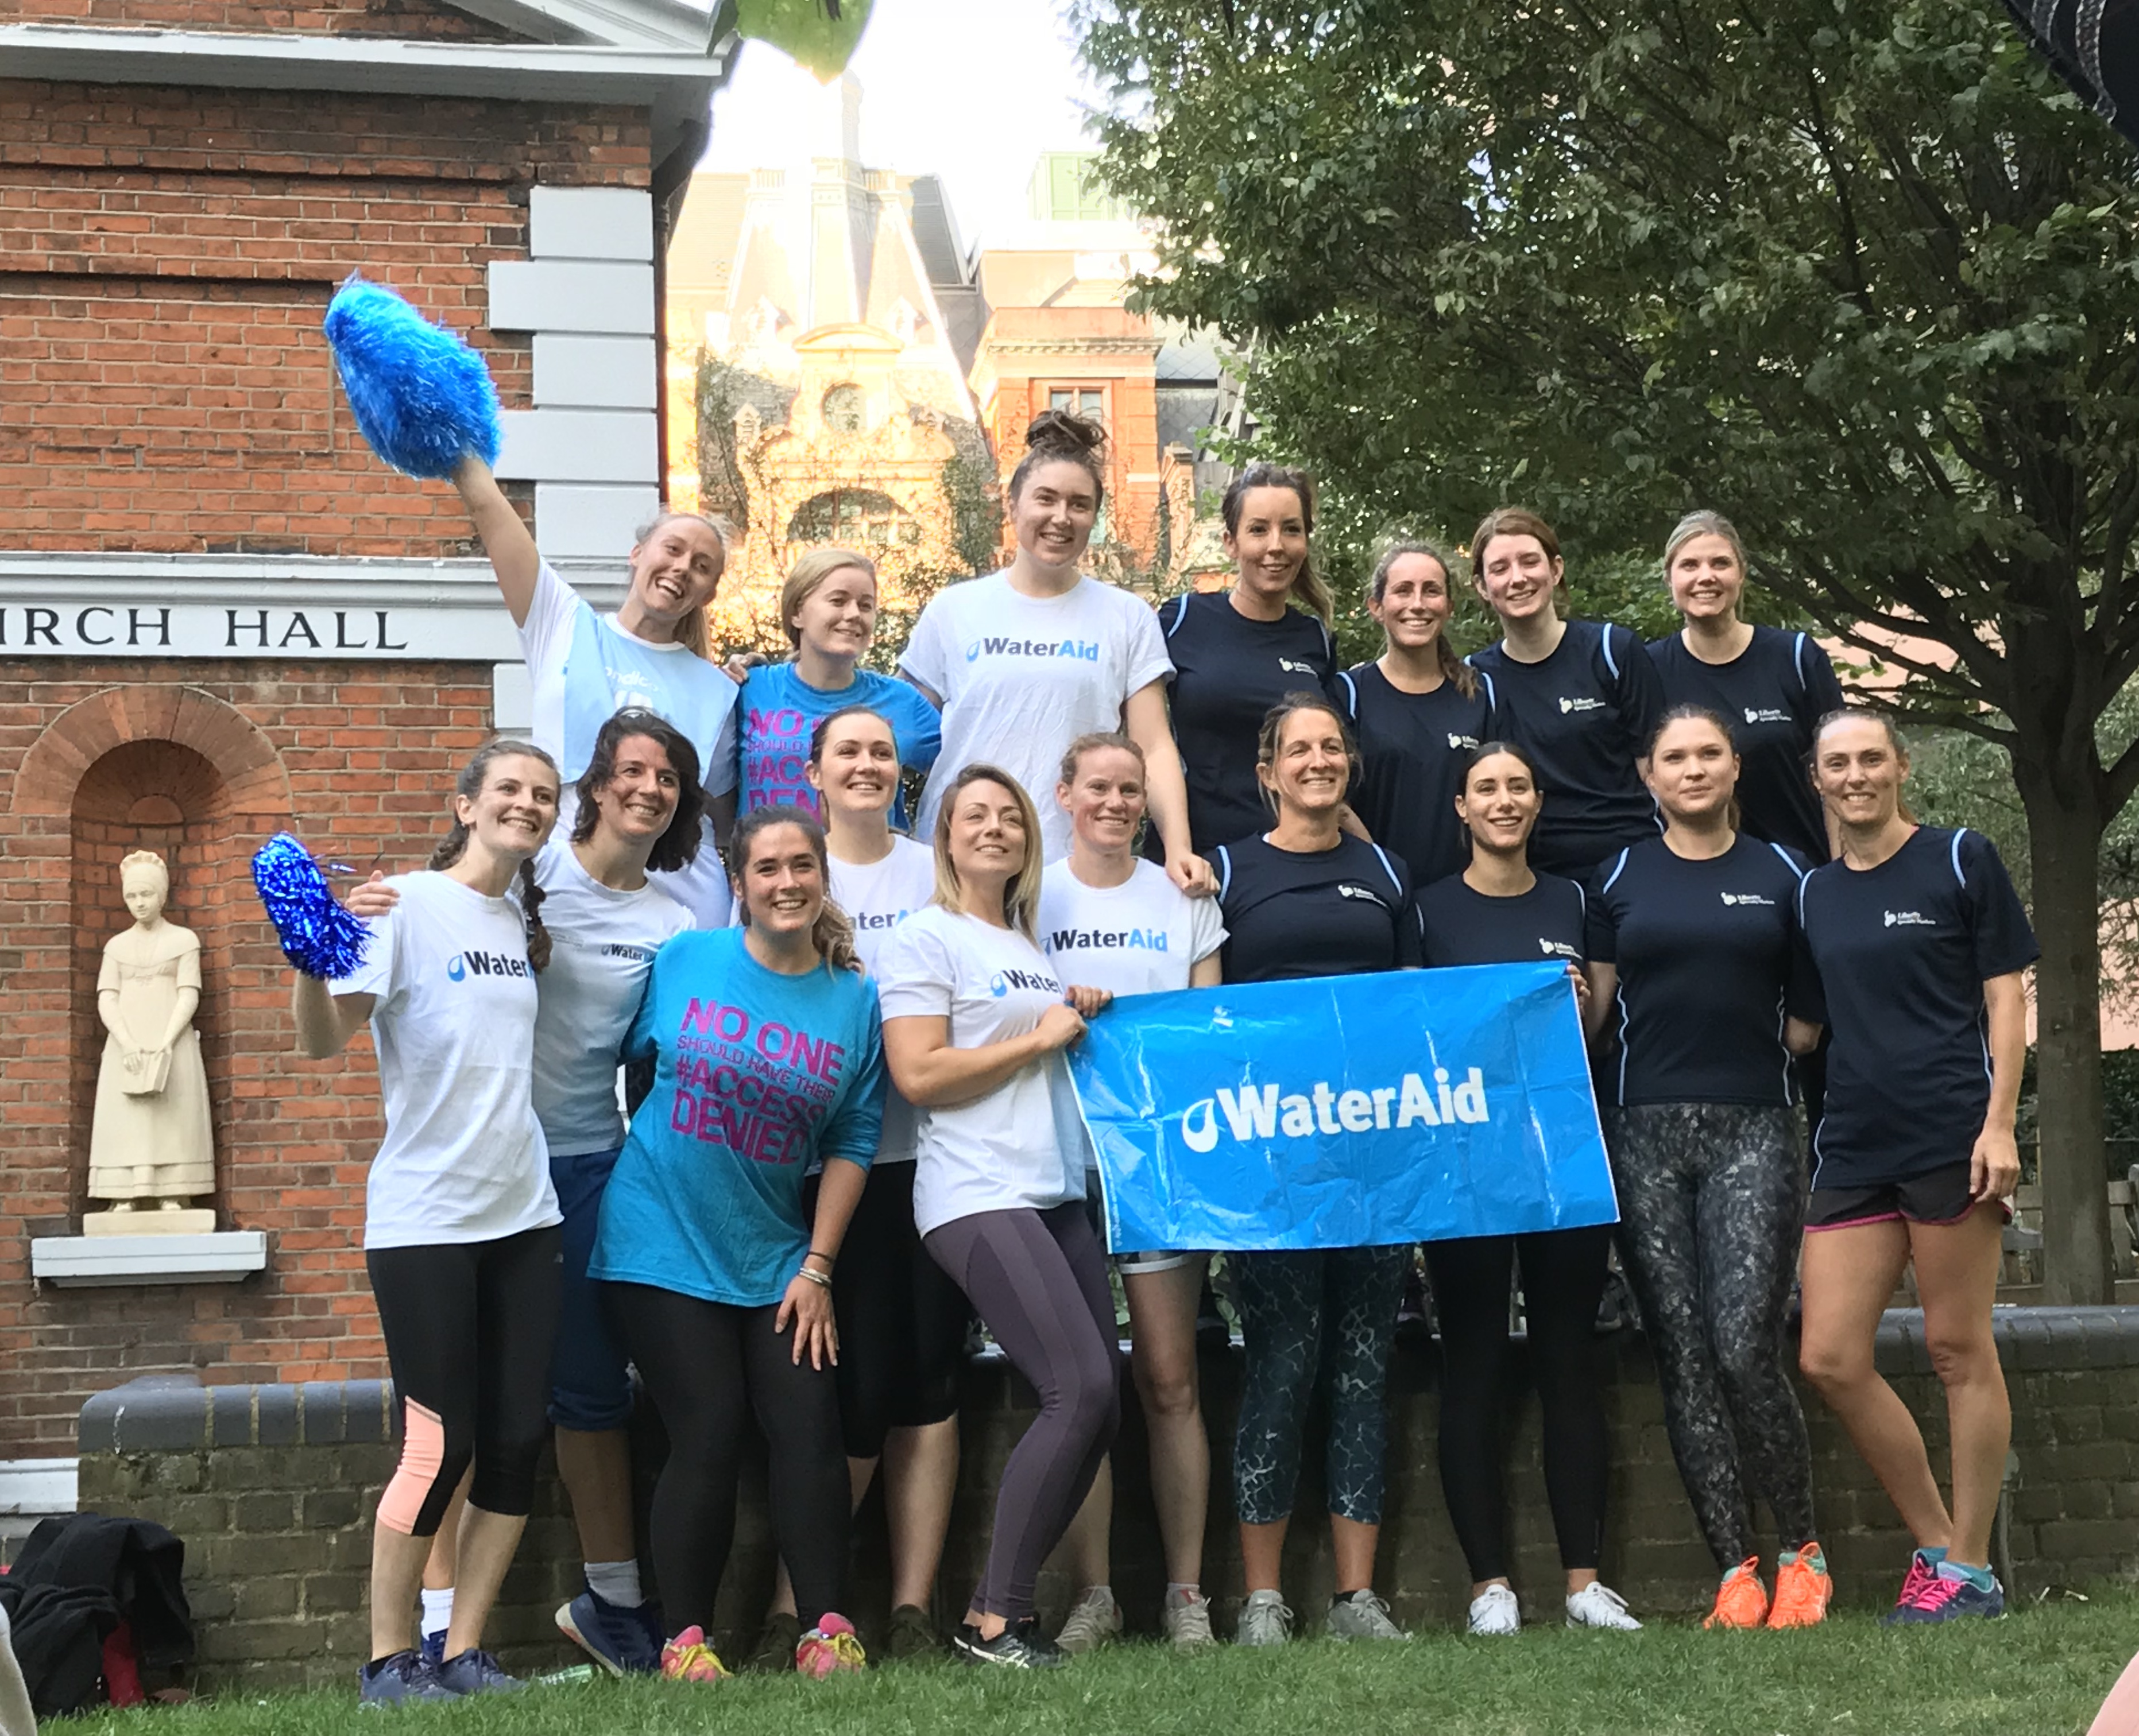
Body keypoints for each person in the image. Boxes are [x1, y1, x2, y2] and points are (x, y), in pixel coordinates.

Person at [350, 712, 702, 1675]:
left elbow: (663, 1054)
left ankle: (579, 1610)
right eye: (629, 769)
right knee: (444, 1423)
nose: (648, 786)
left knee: (559, 1407)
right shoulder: (476, 892)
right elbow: (342, 1014)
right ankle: (416, 1634)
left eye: (668, 775)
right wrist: (331, 941)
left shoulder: (654, 920)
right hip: (452, 1187)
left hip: (567, 1183)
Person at [292, 740, 566, 1704]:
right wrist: (307, 958)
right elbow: (326, 1035)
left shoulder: (522, 923)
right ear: (466, 803)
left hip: (525, 1214)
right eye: (509, 789)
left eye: (543, 795)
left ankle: (466, 1651)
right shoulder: (403, 902)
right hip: (424, 1222)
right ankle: (387, 1658)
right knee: (435, 1443)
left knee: (521, 1436)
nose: (526, 804)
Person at [589, 806, 887, 1681]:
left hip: (774, 1254)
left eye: (802, 866)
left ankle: (825, 1629)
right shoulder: (686, 961)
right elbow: (624, 1060)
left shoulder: (853, 998)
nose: (786, 882)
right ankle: (686, 1641)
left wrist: (818, 1268)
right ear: (739, 883)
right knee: (709, 1426)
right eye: (767, 869)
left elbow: (854, 1140)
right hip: (658, 1235)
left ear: (821, 877)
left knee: (806, 1424)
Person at [1583, 708, 1831, 1629]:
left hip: (1755, 1130)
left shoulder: (1784, 874)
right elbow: (1595, 1015)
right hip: (1643, 1133)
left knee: (1742, 1347)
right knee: (1683, 1356)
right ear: (1647, 774)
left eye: (1708, 755)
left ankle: (1803, 1553)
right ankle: (1735, 1569)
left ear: (1735, 768)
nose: (1691, 770)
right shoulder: (1614, 877)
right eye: (1673, 758)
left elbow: (1805, 1026)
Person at [1795, 710, 2037, 1623]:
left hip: (1952, 1137)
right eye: (1835, 764)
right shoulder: (1813, 893)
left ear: (1899, 767)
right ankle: (1942, 1549)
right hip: (1853, 1144)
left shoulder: (1960, 857)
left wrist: (2000, 1125)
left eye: (1869, 758)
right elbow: (1803, 1025)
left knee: (1955, 1349)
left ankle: (1967, 1570)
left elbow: (2005, 995)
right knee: (1828, 1356)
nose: (1854, 775)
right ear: (1815, 780)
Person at [877, 765, 1117, 1669]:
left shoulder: (1025, 942)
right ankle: (995, 1620)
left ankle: (994, 1611)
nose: (994, 828)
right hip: (974, 1192)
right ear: (944, 836)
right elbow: (920, 1075)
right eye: (973, 815)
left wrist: (1072, 1006)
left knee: (1104, 1409)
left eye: (1009, 817)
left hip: (1051, 1189)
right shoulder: (922, 938)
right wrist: (1036, 1037)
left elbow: (1040, 1037)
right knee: (1078, 1389)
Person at [749, 707, 968, 1667]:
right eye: (850, 751)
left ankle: (914, 1606)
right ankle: (803, 1598)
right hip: (815, 1170)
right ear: (815, 770)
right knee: (835, 1393)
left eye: (884, 751)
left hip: (931, 1159)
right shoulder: (790, 869)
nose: (869, 764)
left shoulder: (935, 869)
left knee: (926, 1379)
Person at [1412, 741, 1639, 1636]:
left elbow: (1591, 1039)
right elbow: (1413, 1038)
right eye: (1485, 790)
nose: (1503, 802)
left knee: (1566, 1361)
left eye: (1517, 787)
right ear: (1461, 810)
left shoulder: (1575, 902)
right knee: (1470, 1361)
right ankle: (1488, 1588)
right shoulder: (1425, 911)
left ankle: (1585, 1583)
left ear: (1537, 803)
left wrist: (1579, 1003)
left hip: (1560, 1160)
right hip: (1466, 1164)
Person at [1210, 695, 1418, 1646]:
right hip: (1271, 1160)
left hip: (1375, 1155)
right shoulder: (1222, 871)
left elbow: (1421, 1014)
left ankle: (1356, 1595)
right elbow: (1201, 1024)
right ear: (1267, 769)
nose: (1318, 760)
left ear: (1350, 763)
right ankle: (1262, 1598)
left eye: (1332, 746)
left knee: (1366, 1365)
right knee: (1284, 1359)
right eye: (1299, 748)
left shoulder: (1384, 870)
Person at [1039, 733, 1227, 1653]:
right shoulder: (1029, 892)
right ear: (1064, 793)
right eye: (1098, 788)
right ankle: (1094, 1596)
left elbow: (1204, 1034)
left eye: (1131, 789)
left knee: (1168, 1379)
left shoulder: (1184, 895)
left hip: (1159, 1169)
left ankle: (1186, 1595)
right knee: (1079, 1389)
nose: (1116, 803)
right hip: (1052, 1169)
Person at [899, 410, 1206, 889]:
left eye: (1079, 505)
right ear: (1013, 506)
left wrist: (1179, 848)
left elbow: (1153, 745)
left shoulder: (1126, 616)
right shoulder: (953, 609)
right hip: (958, 864)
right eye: (1045, 499)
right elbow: (897, 737)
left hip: (1075, 867)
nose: (1061, 518)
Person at [451, 455, 740, 926]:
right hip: (561, 880)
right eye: (671, 549)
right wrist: (452, 441)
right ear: (637, 553)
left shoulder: (719, 691)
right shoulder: (564, 626)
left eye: (702, 566)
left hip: (681, 899)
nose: (682, 567)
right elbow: (491, 513)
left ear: (708, 593)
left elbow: (721, 821)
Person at [1465, 507, 1665, 878]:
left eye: (1529, 562)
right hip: (1532, 875)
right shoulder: (1475, 678)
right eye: (1500, 568)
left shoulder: (1612, 651)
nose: (1518, 578)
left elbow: (1659, 774)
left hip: (1631, 866)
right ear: (1482, 586)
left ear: (1556, 570)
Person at [1152, 464, 1339, 855]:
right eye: (1258, 529)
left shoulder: (1314, 639)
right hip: (1192, 857)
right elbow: (1141, 738)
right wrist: (1176, 849)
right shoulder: (1181, 620)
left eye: (1291, 529)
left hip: (1288, 863)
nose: (1276, 546)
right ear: (1230, 542)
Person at [1646, 512, 1844, 863]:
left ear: (1741, 574)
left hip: (1802, 875)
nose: (1706, 577)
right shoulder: (1648, 670)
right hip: (1694, 882)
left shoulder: (1796, 658)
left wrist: (1845, 874)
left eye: (1720, 563)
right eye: (1689, 565)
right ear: (1669, 578)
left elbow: (1839, 777)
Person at [734, 548, 942, 824]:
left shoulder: (902, 700)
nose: (854, 614)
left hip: (873, 865)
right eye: (838, 601)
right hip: (771, 863)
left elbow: (962, 773)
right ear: (798, 613)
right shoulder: (748, 688)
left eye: (866, 605)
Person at [1337, 541, 1498, 889]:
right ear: (1376, 607)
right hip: (1374, 893)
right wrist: (1384, 876)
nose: (1418, 604)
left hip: (1463, 898)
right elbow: (1334, 802)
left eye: (1431, 591)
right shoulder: (1348, 693)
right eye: (1403, 591)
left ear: (1449, 607)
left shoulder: (1480, 695)